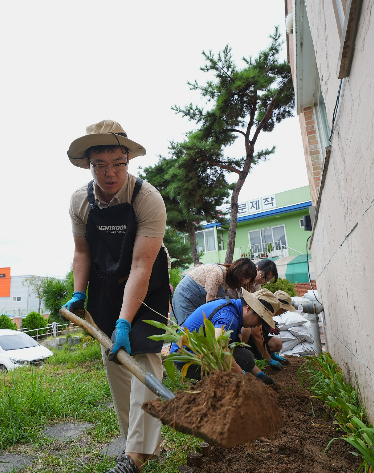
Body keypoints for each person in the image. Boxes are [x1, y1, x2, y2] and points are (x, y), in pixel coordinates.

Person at [62, 120, 170, 473]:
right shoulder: (80, 201)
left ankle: (136, 458)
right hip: (105, 285)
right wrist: (79, 293)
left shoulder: (147, 198)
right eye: (100, 165)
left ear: (128, 160)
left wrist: (126, 320)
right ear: (89, 164)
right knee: (116, 360)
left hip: (146, 282)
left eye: (118, 164)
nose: (110, 174)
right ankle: (133, 444)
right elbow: (82, 252)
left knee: (146, 354)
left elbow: (141, 266)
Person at [170, 288, 281, 386]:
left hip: (201, 354)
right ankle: (212, 386)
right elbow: (219, 347)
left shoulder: (234, 308)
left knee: (245, 356)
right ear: (249, 309)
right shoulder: (228, 316)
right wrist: (243, 379)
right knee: (243, 359)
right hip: (188, 359)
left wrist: (259, 375)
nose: (258, 325)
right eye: (260, 320)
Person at [171, 258, 257, 325]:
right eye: (246, 277)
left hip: (198, 298)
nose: (246, 281)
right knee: (188, 328)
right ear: (239, 272)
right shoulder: (217, 273)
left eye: (249, 279)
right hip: (185, 296)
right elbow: (210, 302)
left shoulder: (227, 279)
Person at [242, 289, 296, 371]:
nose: (282, 313)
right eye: (284, 310)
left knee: (277, 344)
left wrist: (271, 354)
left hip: (257, 341)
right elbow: (257, 336)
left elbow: (263, 335)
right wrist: (268, 359)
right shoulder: (260, 313)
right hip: (250, 342)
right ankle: (245, 361)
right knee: (246, 331)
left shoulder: (269, 316)